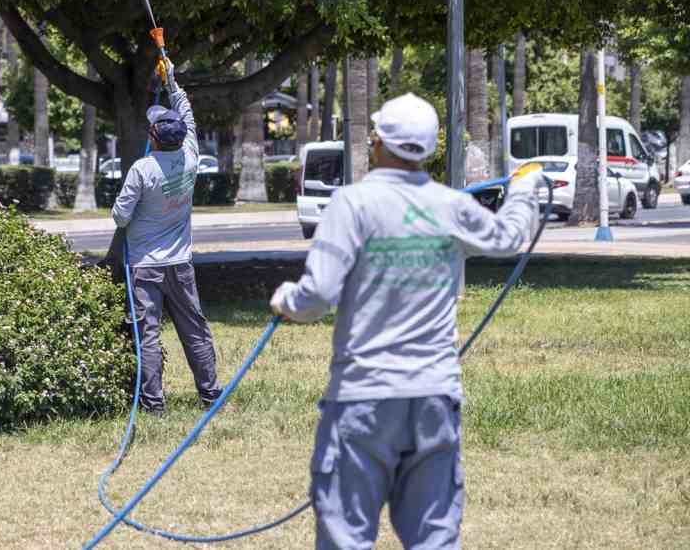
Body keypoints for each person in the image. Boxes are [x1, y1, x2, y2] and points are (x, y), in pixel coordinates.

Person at [270, 92, 541, 550]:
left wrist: (284, 301)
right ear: (429, 149)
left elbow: (316, 296)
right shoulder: (450, 205)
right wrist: (524, 193)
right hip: (434, 396)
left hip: (363, 398)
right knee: (434, 538)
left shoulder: (352, 204)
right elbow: (510, 236)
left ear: (377, 142)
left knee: (346, 536)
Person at [111, 66, 221, 414]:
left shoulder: (142, 170)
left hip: (144, 266)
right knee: (195, 330)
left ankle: (154, 406)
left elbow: (120, 216)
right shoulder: (191, 158)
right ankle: (211, 396)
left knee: (148, 336)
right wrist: (170, 75)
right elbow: (185, 110)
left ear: (154, 138)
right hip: (180, 264)